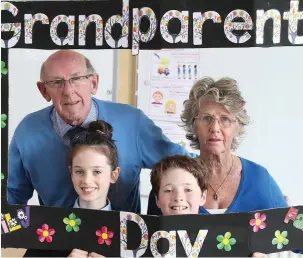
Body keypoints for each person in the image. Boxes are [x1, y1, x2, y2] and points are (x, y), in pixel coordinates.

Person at [7, 49, 193, 214]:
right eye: (57, 82)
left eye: (77, 79)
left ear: (94, 83)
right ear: (43, 90)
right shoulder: (27, 132)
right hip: (55, 241)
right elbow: (11, 196)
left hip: (123, 244)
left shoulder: (132, 122)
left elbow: (184, 164)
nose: (68, 91)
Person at [148, 76, 289, 215]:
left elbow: (289, 230)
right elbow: (153, 234)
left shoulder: (259, 178)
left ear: (238, 126)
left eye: (225, 119)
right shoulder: (169, 180)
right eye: (207, 118)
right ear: (193, 126)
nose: (215, 128)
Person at [24, 120, 117, 257]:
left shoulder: (129, 230)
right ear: (71, 173)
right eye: (79, 171)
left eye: (97, 172)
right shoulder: (47, 227)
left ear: (114, 175)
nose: (87, 180)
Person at [149, 155, 267, 257]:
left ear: (203, 197)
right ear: (157, 199)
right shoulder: (144, 243)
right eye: (168, 190)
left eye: (188, 189)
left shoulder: (226, 240)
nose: (178, 197)